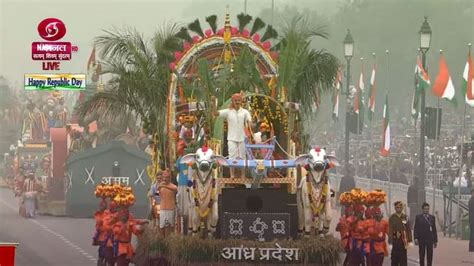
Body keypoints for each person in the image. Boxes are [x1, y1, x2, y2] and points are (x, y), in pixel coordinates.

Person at [212, 93, 252, 178]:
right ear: (233, 101)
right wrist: (213, 103)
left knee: (242, 156)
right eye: (235, 100)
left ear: (241, 101)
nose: (237, 102)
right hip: (231, 138)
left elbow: (249, 122)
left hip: (242, 138)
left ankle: (243, 175)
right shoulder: (228, 111)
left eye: (239, 100)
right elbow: (215, 113)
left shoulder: (245, 112)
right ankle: (232, 175)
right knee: (231, 157)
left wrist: (250, 130)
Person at [389, 201, 412, 266]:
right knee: (394, 259)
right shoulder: (392, 218)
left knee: (403, 259)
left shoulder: (405, 217)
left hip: (403, 240)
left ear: (402, 208)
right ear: (395, 208)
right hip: (395, 240)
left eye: (400, 207)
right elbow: (390, 230)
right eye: (397, 207)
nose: (398, 209)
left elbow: (408, 229)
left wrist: (410, 240)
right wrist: (390, 242)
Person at [158, 170, 177, 237]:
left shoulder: (173, 186)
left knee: (171, 226)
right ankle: (162, 242)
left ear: (170, 178)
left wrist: (164, 186)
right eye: (164, 177)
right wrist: (161, 186)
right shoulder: (160, 186)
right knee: (162, 226)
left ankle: (170, 242)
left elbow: (175, 189)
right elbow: (159, 194)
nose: (165, 179)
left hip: (171, 209)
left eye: (167, 177)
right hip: (163, 209)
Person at [93, 199, 108, 266]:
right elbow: (98, 222)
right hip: (102, 236)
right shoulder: (98, 213)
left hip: (108, 235)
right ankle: (101, 261)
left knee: (108, 251)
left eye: (103, 205)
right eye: (101, 205)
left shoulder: (108, 213)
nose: (102, 206)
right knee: (102, 250)